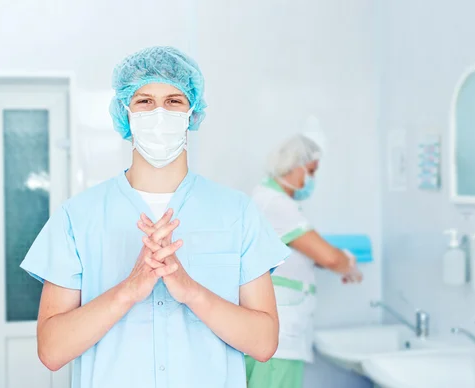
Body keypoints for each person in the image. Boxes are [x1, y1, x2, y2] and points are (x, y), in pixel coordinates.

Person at [19, 46, 290, 388]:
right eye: (144, 101)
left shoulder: (237, 213)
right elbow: (52, 351)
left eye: (174, 101)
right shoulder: (78, 217)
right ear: (125, 113)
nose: (159, 112)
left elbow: (265, 344)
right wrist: (129, 290)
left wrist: (191, 291)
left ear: (192, 113)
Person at [244, 134, 363, 388]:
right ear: (294, 165)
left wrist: (334, 261)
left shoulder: (268, 198)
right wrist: (347, 263)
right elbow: (329, 257)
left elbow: (295, 253)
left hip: (272, 329)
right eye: (311, 171)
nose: (312, 180)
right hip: (279, 335)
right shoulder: (275, 203)